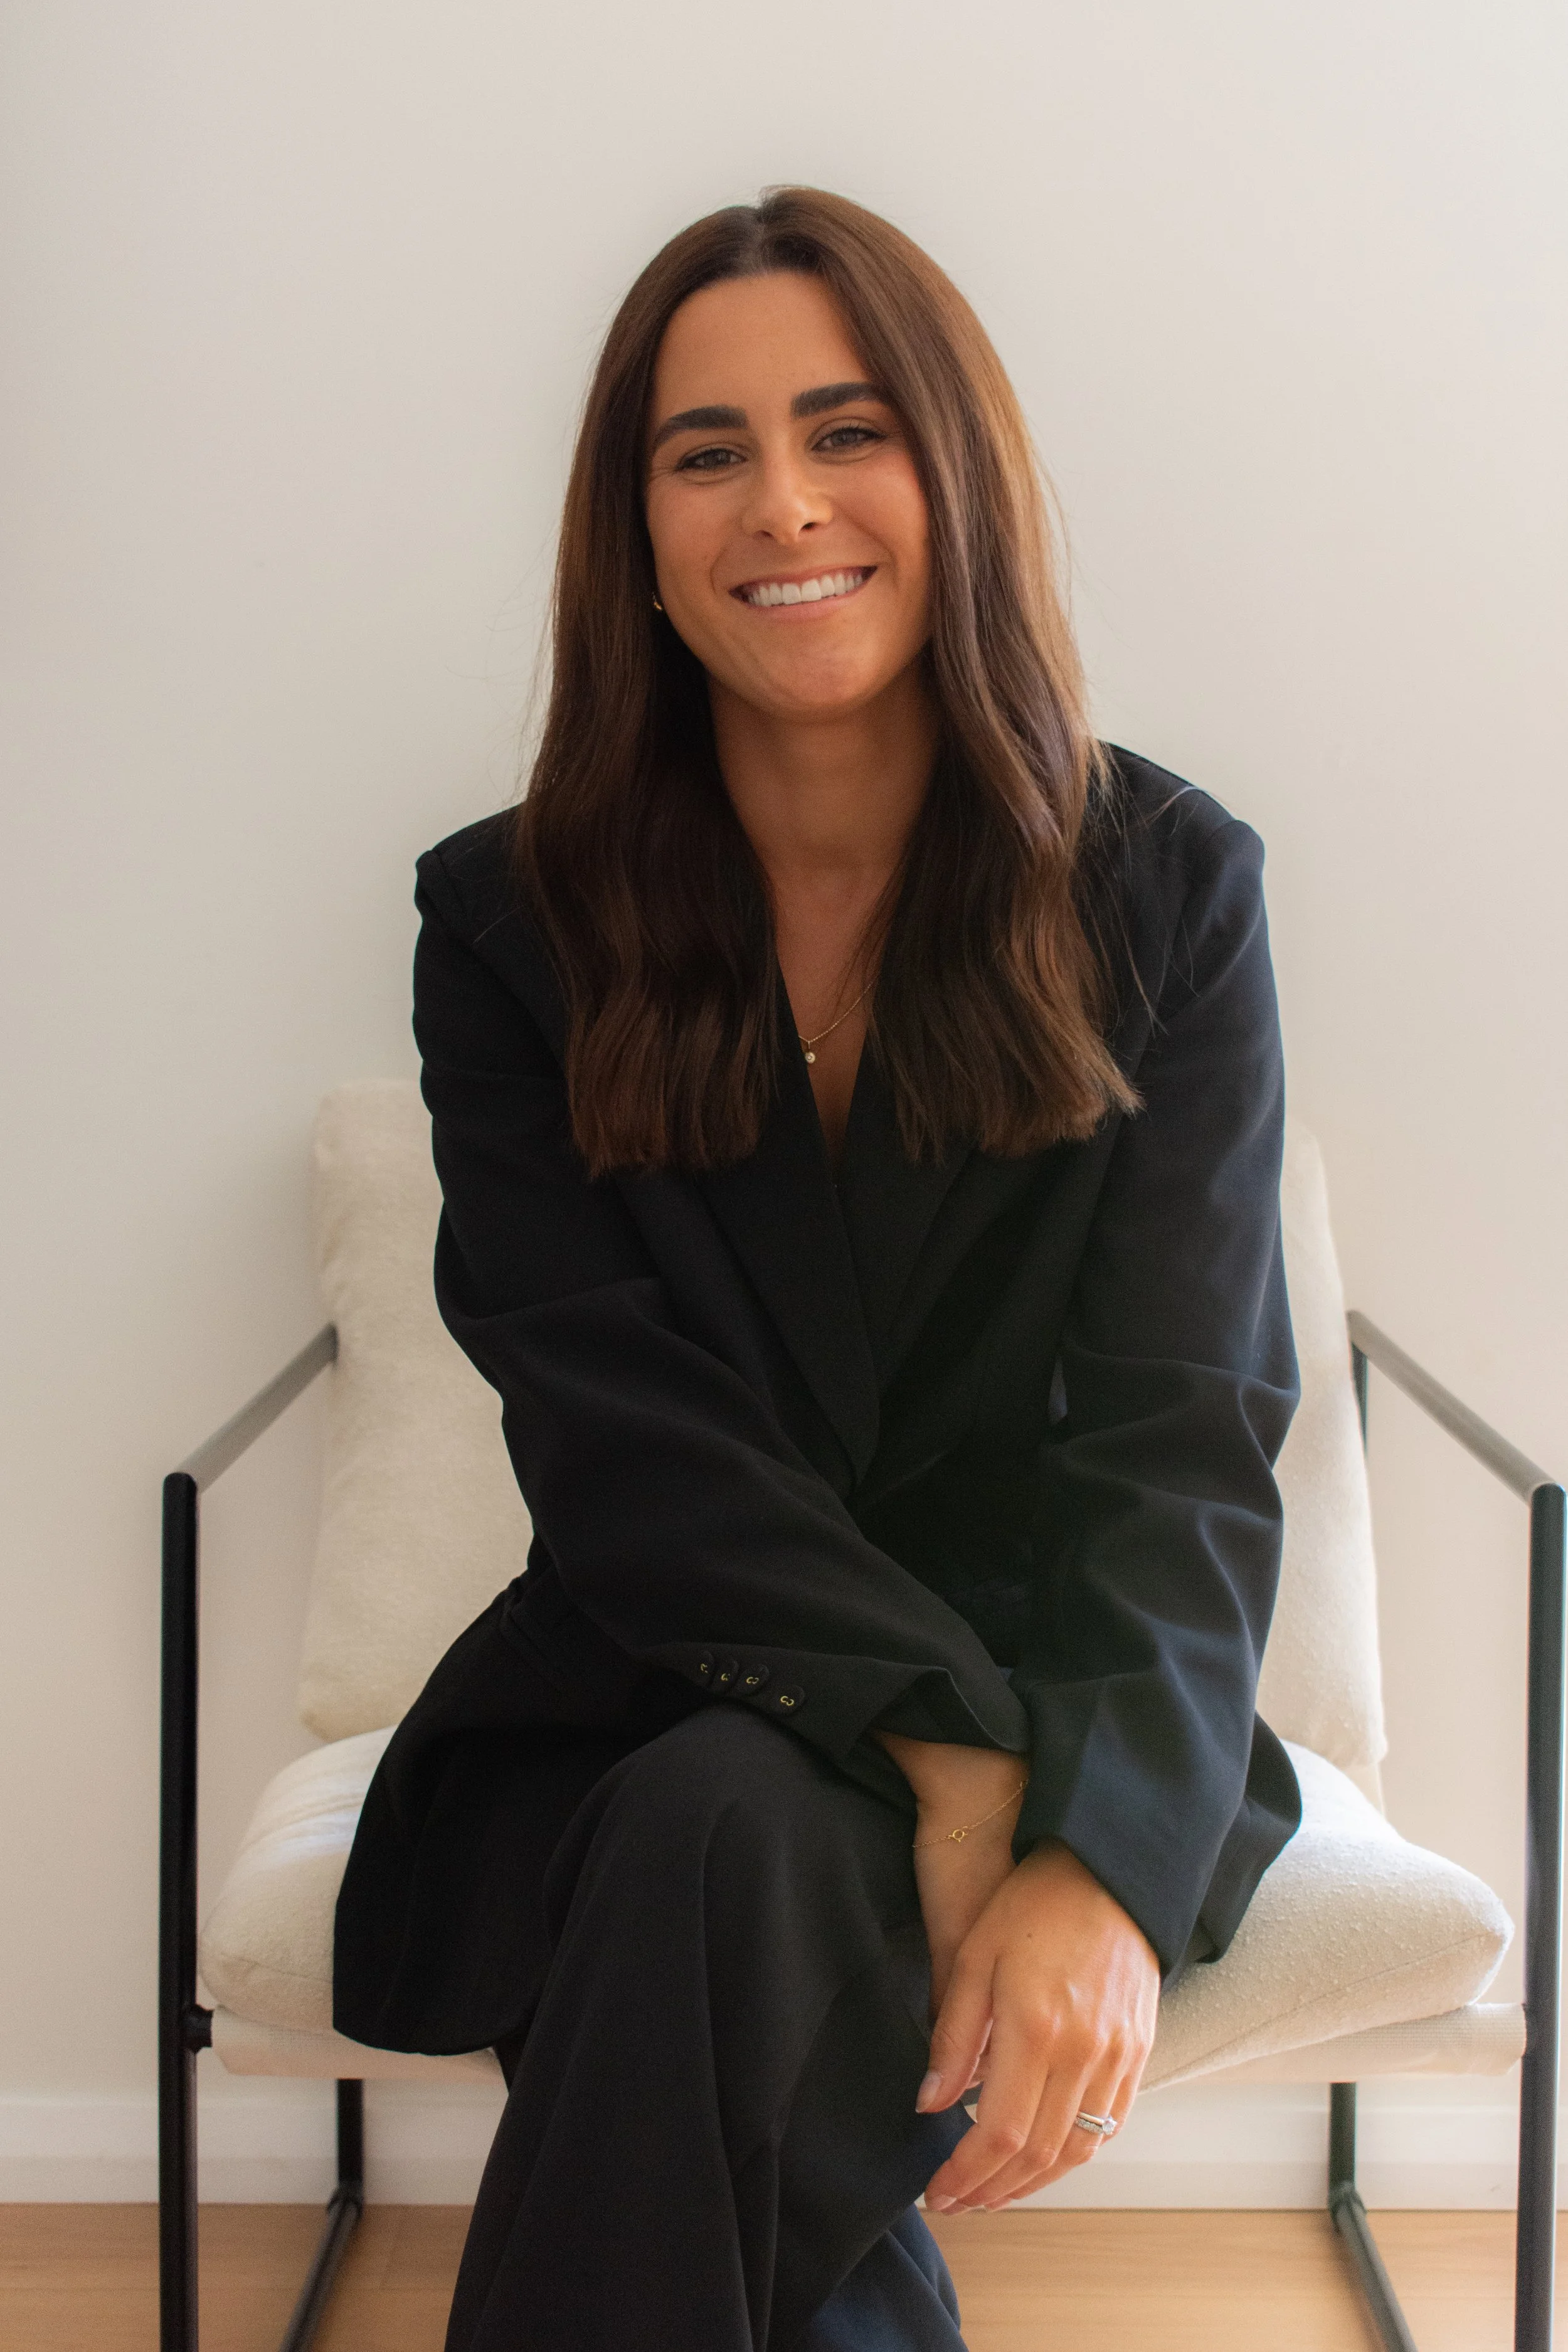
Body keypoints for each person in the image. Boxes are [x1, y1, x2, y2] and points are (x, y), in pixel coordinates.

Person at [333, 186, 1301, 2352]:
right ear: (638, 521)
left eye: (845, 430)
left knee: (707, 1861)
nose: (782, 502)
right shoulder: (511, 927)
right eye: (706, 452)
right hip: (677, 1650)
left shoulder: (1163, 892)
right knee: (709, 1824)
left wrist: (1093, 1852)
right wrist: (947, 1773)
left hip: (1071, 1686)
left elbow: (1186, 1421)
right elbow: (616, 1433)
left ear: (950, 470)